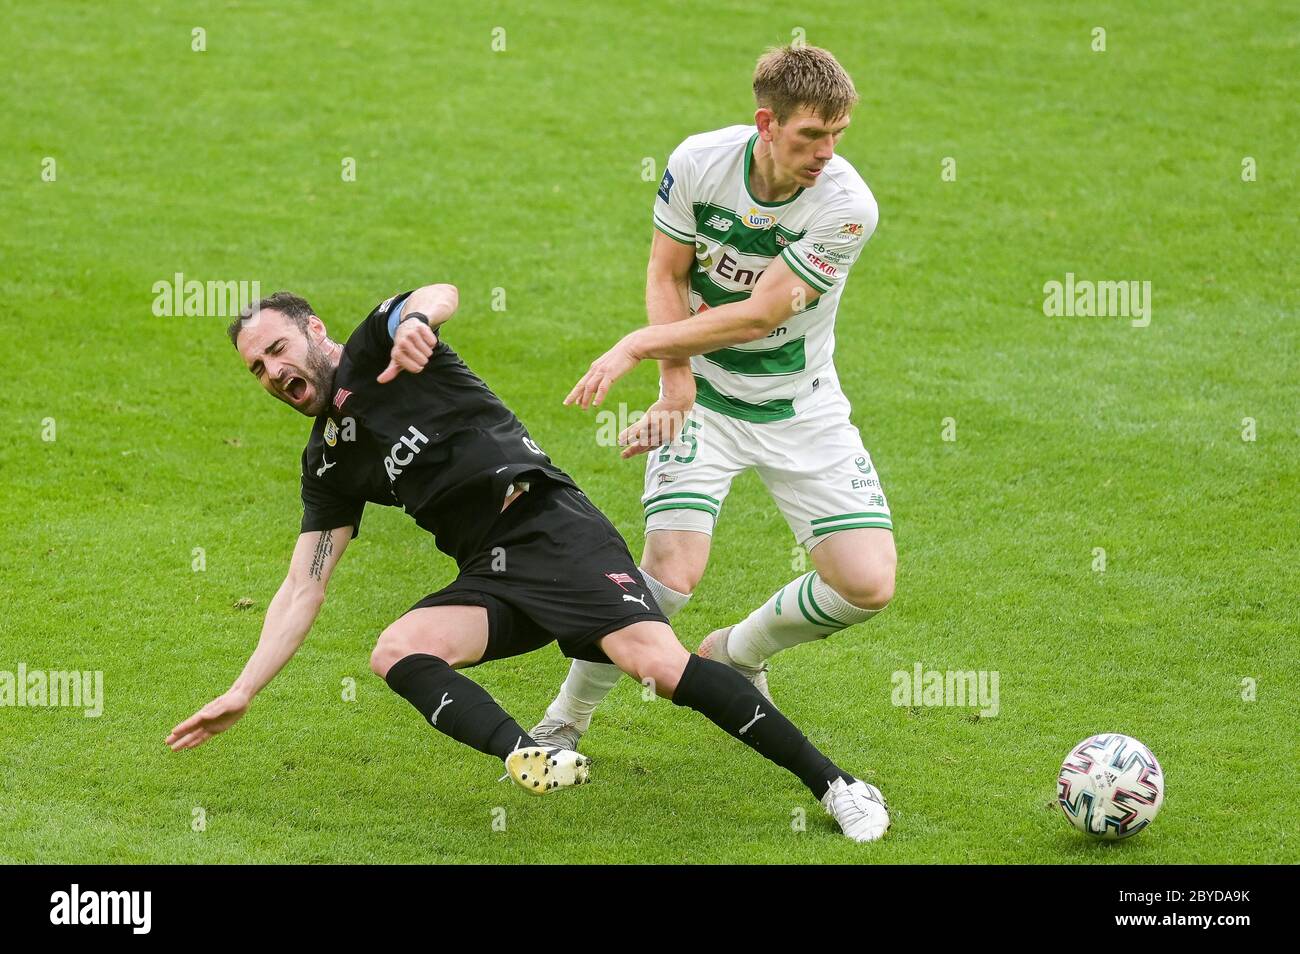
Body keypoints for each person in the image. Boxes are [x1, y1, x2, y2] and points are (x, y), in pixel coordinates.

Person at [165, 286, 889, 841]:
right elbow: (303, 586)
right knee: (396, 650)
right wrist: (244, 691)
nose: (273, 372)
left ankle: (837, 785)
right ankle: (535, 755)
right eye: (258, 368)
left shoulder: (379, 346)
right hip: (491, 571)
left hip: (551, 526)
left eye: (278, 350)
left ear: (313, 331)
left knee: (658, 667)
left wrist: (418, 322)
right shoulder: (328, 461)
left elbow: (437, 294)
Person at [534, 45, 896, 760]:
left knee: (867, 583)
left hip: (802, 408)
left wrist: (641, 345)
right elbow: (666, 271)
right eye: (810, 136)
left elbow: (763, 314)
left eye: (838, 135)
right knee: (671, 569)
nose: (827, 152)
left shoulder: (847, 208)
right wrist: (676, 381)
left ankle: (737, 652)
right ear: (767, 122)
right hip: (705, 405)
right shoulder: (698, 162)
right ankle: (565, 719)